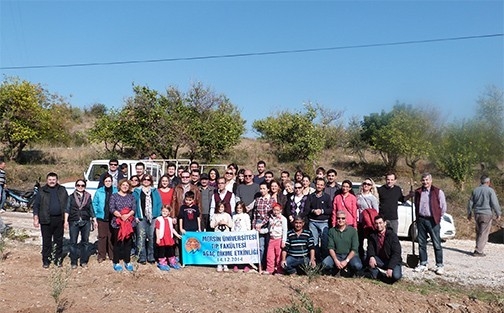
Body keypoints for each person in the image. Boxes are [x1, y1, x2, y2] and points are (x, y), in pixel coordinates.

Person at [33, 172, 69, 268]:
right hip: (45, 219)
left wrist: (66, 220)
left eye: (53, 179)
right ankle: (46, 261)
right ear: (47, 180)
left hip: (59, 219)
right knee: (46, 241)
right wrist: (36, 218)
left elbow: (67, 205)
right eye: (50, 179)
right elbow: (36, 205)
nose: (52, 181)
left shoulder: (62, 190)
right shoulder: (42, 191)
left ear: (57, 180)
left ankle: (58, 260)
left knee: (59, 241)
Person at [413, 173, 447, 275]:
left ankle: (439, 265)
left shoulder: (438, 192)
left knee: (436, 244)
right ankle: (423, 263)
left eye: (427, 180)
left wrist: (438, 217)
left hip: (433, 221)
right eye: (423, 180)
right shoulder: (418, 192)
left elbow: (443, 206)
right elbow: (416, 205)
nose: (425, 182)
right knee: (421, 243)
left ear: (431, 180)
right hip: (421, 220)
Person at [65, 179, 97, 269]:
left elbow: (91, 208)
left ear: (85, 186)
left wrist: (94, 220)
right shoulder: (71, 197)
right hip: (74, 221)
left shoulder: (88, 196)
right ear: (75, 186)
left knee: (85, 242)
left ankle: (83, 261)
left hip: (85, 221)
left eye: (82, 185)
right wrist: (65, 221)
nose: (80, 187)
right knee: (73, 242)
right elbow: (67, 209)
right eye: (78, 185)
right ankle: (74, 261)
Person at [467, 175, 501, 256]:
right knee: (484, 233)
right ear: (488, 182)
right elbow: (494, 203)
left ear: (481, 182)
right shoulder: (490, 191)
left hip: (477, 214)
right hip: (486, 214)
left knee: (479, 232)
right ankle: (479, 251)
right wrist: (498, 213)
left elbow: (470, 203)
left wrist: (469, 213)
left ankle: (477, 248)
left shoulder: (475, 190)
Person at [322, 210, 363, 277]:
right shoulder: (332, 231)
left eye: (343, 218)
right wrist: (335, 260)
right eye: (338, 218)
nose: (340, 220)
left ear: (346, 219)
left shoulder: (352, 231)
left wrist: (346, 261)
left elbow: (354, 248)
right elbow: (330, 248)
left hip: (349, 255)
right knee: (325, 264)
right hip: (337, 255)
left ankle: (350, 270)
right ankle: (335, 269)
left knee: (357, 265)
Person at [133, 174, 162, 265]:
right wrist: (136, 216)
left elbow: (159, 203)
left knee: (152, 237)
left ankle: (151, 256)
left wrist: (157, 215)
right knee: (141, 236)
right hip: (141, 217)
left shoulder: (154, 191)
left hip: (153, 217)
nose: (146, 181)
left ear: (151, 181)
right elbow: (134, 204)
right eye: (144, 179)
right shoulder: (137, 191)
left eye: (148, 179)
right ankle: (142, 257)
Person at [109, 179, 136, 272]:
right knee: (117, 242)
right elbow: (112, 208)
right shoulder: (114, 196)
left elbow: (133, 208)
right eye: (123, 185)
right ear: (119, 186)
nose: (125, 186)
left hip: (129, 222)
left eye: (127, 185)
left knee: (128, 242)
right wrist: (121, 216)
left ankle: (127, 261)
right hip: (118, 222)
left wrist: (127, 216)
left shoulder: (131, 197)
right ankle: (116, 262)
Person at [366, 215, 402, 283]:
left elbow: (396, 253)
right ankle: (380, 275)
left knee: (396, 276)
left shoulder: (392, 236)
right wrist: (371, 257)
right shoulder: (372, 235)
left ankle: (390, 273)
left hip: (391, 260)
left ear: (385, 223)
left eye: (380, 223)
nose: (378, 225)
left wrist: (390, 268)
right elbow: (370, 248)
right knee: (368, 258)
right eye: (376, 223)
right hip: (380, 259)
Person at [93, 173, 117, 263]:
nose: (108, 182)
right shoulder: (99, 191)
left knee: (112, 236)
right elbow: (94, 203)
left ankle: (112, 254)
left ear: (112, 182)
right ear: (103, 182)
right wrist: (94, 216)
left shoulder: (116, 191)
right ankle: (101, 255)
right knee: (102, 236)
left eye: (109, 181)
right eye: (106, 181)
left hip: (113, 217)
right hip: (102, 217)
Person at [306, 178, 331, 261]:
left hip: (324, 222)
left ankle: (325, 262)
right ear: (315, 185)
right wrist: (313, 211)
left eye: (321, 185)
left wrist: (322, 211)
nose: (319, 186)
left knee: (324, 243)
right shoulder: (310, 196)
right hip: (313, 222)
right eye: (318, 184)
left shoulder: (327, 197)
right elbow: (307, 209)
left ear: (324, 186)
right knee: (314, 242)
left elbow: (330, 209)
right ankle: (316, 260)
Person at [252, 182, 275, 268]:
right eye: (260, 188)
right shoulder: (258, 200)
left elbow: (270, 215)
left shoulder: (272, 200)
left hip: (268, 224)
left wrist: (262, 223)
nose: (262, 190)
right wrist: (254, 225)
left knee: (268, 245)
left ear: (268, 189)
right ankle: (260, 264)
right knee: (261, 246)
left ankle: (268, 265)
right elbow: (255, 214)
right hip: (258, 223)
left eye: (264, 188)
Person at [356, 178, 379, 262]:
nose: (366, 185)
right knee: (359, 241)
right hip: (359, 222)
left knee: (370, 242)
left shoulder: (372, 198)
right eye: (365, 183)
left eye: (368, 184)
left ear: (371, 187)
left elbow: (376, 212)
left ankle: (370, 260)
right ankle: (360, 258)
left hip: (368, 223)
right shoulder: (358, 196)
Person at [155, 205, 182, 271]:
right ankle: (162, 263)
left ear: (169, 213)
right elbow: (157, 229)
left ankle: (172, 262)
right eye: (163, 211)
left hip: (169, 238)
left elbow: (172, 229)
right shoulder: (159, 219)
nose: (164, 212)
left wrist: (177, 235)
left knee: (170, 250)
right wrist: (158, 238)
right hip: (162, 238)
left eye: (166, 211)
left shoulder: (170, 220)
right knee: (161, 251)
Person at [265, 203, 288, 275]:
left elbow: (285, 230)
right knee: (270, 255)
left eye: (277, 210)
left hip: (279, 239)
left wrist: (284, 240)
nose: (276, 212)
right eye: (274, 210)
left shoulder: (283, 219)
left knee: (279, 255)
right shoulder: (271, 219)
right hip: (272, 239)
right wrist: (260, 230)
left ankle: (279, 270)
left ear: (281, 210)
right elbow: (268, 229)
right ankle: (269, 269)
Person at [210, 201, 234, 272]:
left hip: (225, 234)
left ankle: (225, 264)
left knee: (225, 249)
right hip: (217, 234)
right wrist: (218, 223)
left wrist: (225, 223)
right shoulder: (215, 215)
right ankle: (219, 264)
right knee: (218, 249)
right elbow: (211, 225)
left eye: (222, 207)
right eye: (219, 207)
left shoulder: (227, 215)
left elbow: (231, 225)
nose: (221, 209)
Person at [232, 201, 252, 273]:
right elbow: (233, 226)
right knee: (236, 251)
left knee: (245, 251)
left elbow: (248, 226)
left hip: (244, 236)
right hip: (236, 235)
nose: (238, 210)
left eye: (240, 208)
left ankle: (246, 265)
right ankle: (236, 264)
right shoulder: (234, 216)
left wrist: (247, 233)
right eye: (237, 208)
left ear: (243, 208)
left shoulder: (246, 215)